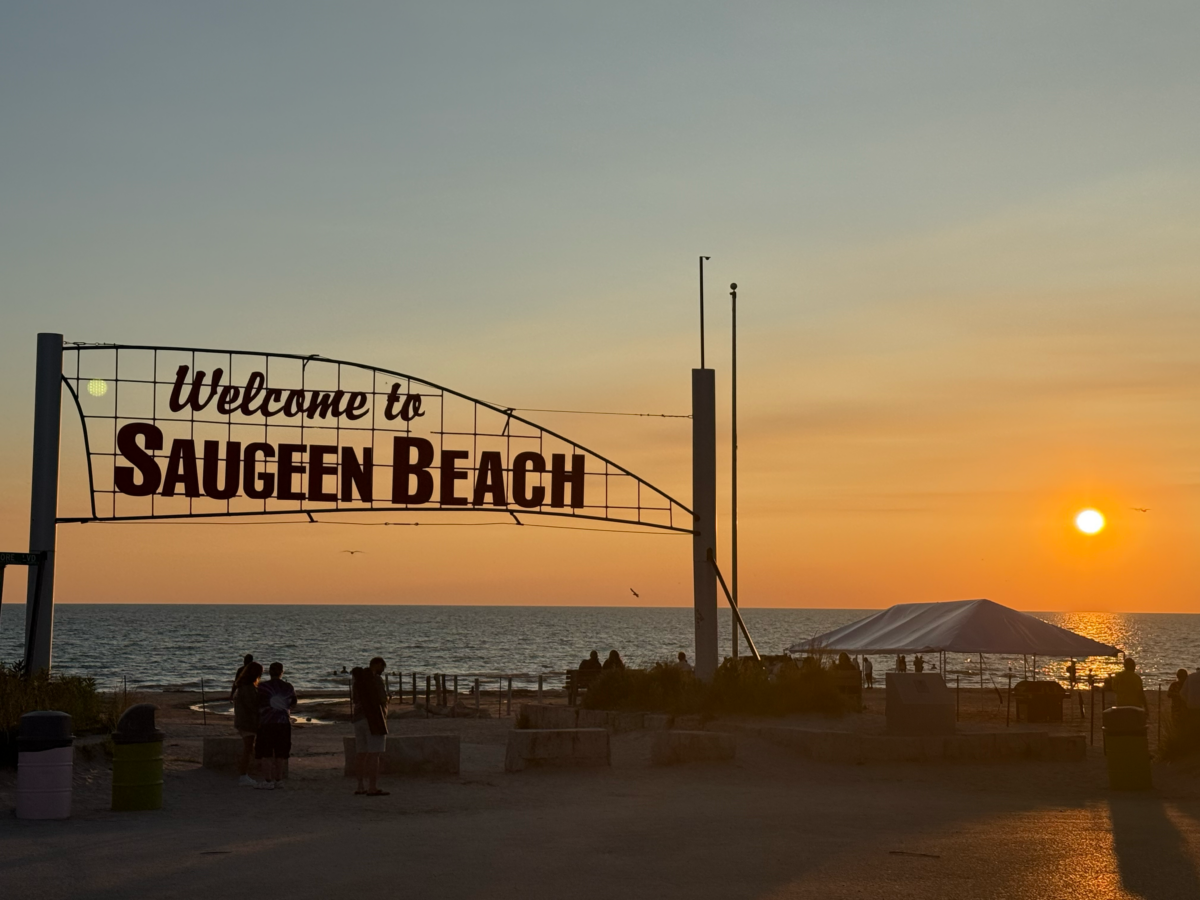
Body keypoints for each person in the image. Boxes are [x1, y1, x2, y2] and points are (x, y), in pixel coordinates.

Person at [256, 661, 297, 790]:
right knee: (281, 753)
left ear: (269, 672)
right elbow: (293, 703)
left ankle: (268, 780)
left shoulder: (262, 687)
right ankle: (278, 780)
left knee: (266, 753)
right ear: (281, 672)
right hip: (283, 723)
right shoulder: (288, 687)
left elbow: (257, 703)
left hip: (267, 723)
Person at [352, 657, 390, 797]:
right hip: (374, 719)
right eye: (382, 668)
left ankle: (360, 785)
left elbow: (355, 699)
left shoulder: (358, 680)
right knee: (375, 754)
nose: (382, 671)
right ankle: (372, 787)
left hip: (358, 718)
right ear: (378, 665)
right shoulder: (376, 680)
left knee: (361, 754)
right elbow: (382, 699)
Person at [232, 661, 263, 787]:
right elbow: (253, 706)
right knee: (248, 749)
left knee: (249, 748)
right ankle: (243, 775)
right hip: (247, 723)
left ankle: (245, 774)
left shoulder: (242, 687)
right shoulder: (248, 688)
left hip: (243, 721)